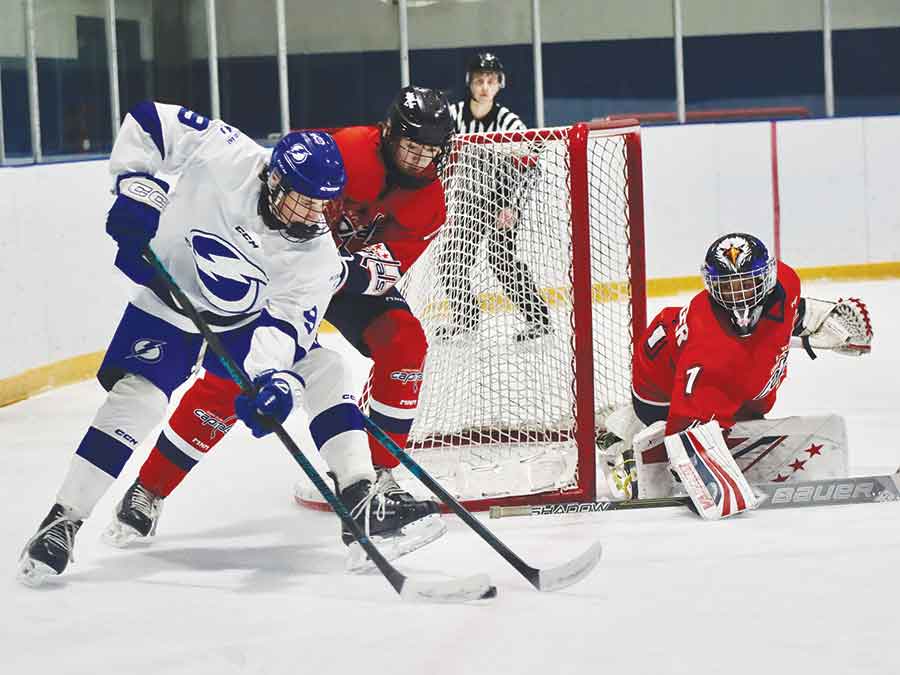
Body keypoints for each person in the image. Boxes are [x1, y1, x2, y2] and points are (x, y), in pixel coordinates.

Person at [17, 101, 420, 585]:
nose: (315, 215)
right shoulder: (227, 153)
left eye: (323, 204)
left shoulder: (315, 255)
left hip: (243, 323)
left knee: (327, 369)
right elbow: (149, 121)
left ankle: (360, 499)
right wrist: (136, 188)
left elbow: (287, 326)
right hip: (168, 300)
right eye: (305, 200)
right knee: (138, 399)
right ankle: (64, 519)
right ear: (275, 180)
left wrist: (270, 379)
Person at [103, 86, 455, 552]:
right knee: (235, 376)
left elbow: (385, 270)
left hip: (341, 279)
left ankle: (375, 484)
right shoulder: (349, 147)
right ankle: (149, 488)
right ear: (388, 132)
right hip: (279, 267)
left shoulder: (431, 202)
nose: (419, 158)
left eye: (430, 150)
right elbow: (285, 172)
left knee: (406, 343)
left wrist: (328, 270)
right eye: (412, 145)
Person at [602, 233, 873, 519]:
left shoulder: (786, 281)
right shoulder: (710, 352)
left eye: (748, 283)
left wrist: (824, 320)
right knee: (692, 436)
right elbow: (686, 429)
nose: (741, 296)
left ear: (767, 277)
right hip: (662, 393)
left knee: (742, 392)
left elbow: (791, 310)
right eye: (729, 287)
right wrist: (697, 470)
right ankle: (626, 451)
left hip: (711, 372)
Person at [437, 51, 551, 342]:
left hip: (502, 200)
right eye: (478, 81)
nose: (484, 87)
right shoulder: (452, 116)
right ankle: (466, 319)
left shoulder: (509, 122)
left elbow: (528, 167)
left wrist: (509, 206)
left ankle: (538, 319)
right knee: (452, 259)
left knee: (501, 260)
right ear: (469, 83)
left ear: (500, 84)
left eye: (490, 81)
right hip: (467, 201)